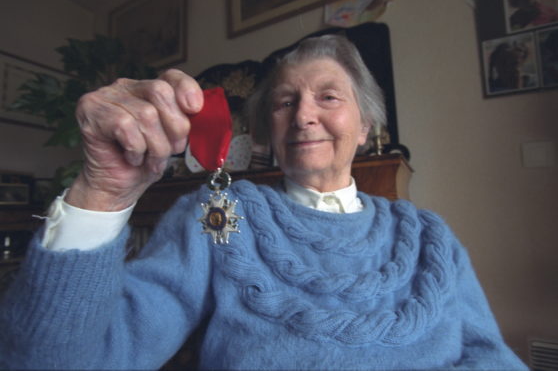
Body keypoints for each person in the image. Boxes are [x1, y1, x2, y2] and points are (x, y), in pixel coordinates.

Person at [0, 35, 527, 370]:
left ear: (366, 127)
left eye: (328, 96)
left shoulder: (429, 234)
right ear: (264, 132)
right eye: (284, 101)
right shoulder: (221, 213)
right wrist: (102, 192)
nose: (303, 116)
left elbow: (488, 356)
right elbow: (61, 360)